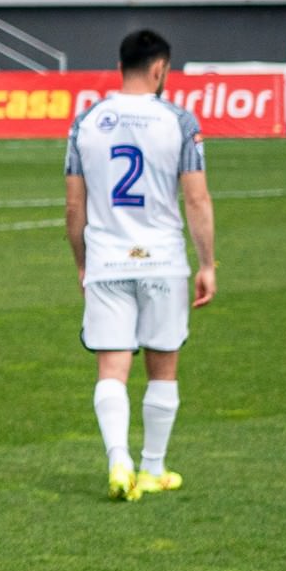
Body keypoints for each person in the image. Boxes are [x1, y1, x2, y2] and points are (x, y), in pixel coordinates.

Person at [64, 28, 217, 501]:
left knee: (112, 370)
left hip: (108, 261)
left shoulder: (87, 121)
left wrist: (83, 263)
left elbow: (73, 207)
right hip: (163, 261)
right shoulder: (180, 121)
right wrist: (207, 263)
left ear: (120, 66)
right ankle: (152, 468)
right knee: (162, 369)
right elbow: (197, 199)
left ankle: (118, 461)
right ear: (159, 68)